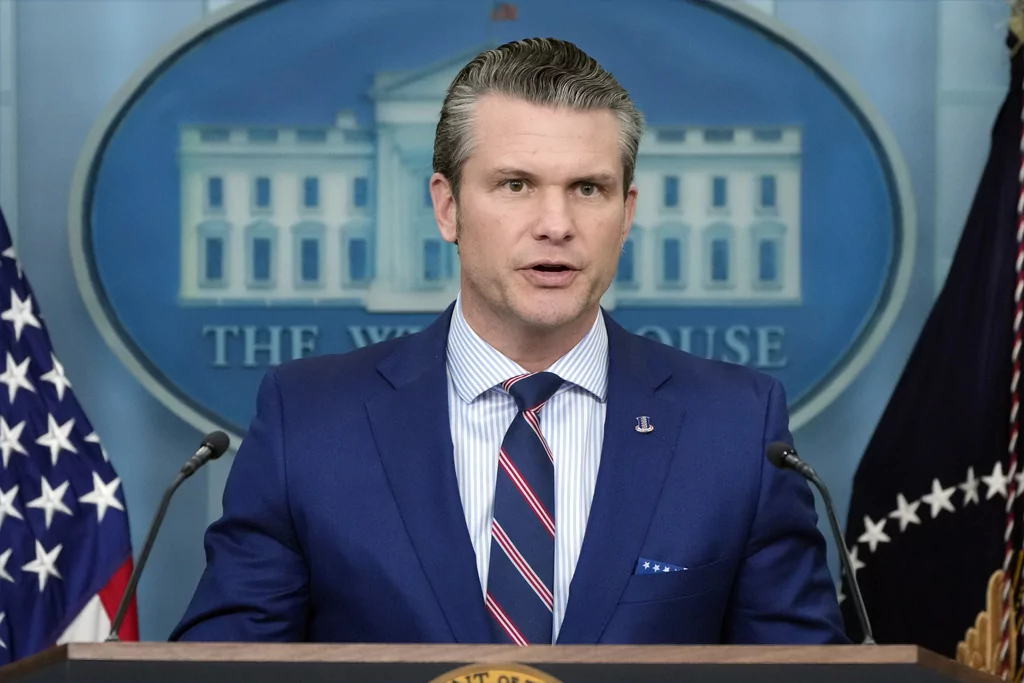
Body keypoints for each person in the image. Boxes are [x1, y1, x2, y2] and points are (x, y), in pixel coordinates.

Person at [170, 37, 847, 646]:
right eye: (516, 185)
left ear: (627, 213)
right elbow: (223, 668)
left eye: (588, 188)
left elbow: (805, 674)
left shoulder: (737, 428)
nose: (556, 223)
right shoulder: (309, 420)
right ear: (447, 207)